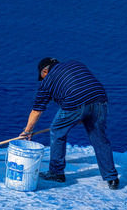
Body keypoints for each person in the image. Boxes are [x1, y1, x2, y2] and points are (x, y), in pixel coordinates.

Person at [20, 58, 120, 190]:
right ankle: (112, 178)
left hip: (75, 102)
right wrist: (83, 115)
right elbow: (83, 86)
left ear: (45, 71)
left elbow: (36, 111)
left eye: (42, 76)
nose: (43, 79)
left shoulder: (47, 82)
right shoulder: (76, 63)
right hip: (100, 99)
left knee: (56, 131)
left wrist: (27, 131)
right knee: (100, 139)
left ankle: (56, 173)